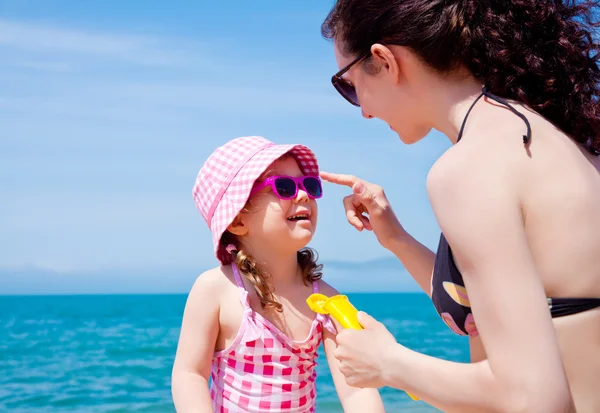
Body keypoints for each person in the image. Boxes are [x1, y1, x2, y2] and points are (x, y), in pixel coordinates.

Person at [317, 1, 600, 412]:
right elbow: (528, 305)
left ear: (384, 60)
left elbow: (532, 396)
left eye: (348, 84)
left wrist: (387, 363)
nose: (363, 110)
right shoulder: (549, 135)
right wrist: (394, 237)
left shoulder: (468, 168)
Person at [171, 136, 386, 413]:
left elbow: (357, 391)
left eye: (308, 184)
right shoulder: (216, 289)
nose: (303, 194)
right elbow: (190, 375)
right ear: (237, 219)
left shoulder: (325, 300)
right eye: (284, 187)